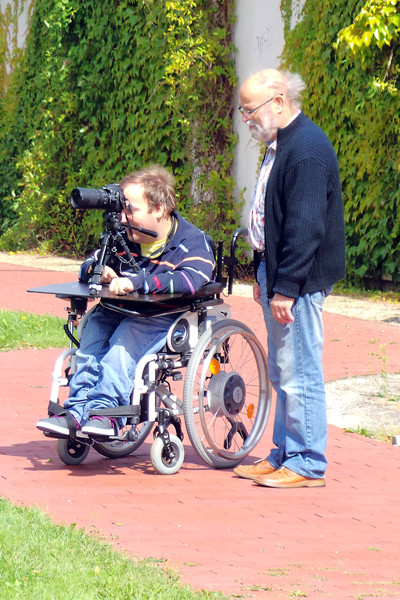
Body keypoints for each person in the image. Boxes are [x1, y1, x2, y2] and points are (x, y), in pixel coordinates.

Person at [37, 165, 215, 438]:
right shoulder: (123, 239)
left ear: (158, 209)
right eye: (121, 209)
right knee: (91, 338)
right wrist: (98, 271)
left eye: (130, 209)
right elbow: (87, 264)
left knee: (123, 344)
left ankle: (106, 415)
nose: (122, 217)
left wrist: (137, 282)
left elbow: (190, 280)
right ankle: (76, 413)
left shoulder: (192, 242)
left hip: (161, 317)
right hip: (116, 312)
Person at [233, 69, 345, 488]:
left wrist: (287, 287)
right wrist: (262, 268)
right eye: (243, 111)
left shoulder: (306, 149)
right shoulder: (280, 144)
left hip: (298, 281)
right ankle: (284, 452)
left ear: (278, 101)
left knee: (300, 371)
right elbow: (272, 214)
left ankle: (307, 462)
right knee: (284, 370)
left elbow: (305, 227)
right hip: (277, 273)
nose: (246, 119)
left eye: (251, 110)